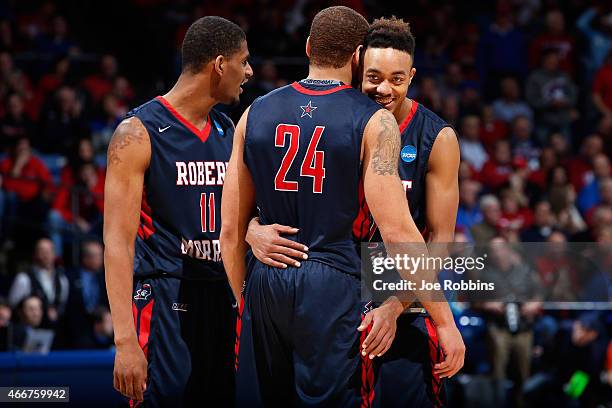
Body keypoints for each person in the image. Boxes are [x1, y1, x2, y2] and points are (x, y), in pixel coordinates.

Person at [221, 7, 464, 407]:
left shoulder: (254, 111)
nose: (384, 88)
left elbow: (227, 228)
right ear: (358, 57)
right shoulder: (371, 122)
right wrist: (448, 322)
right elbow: (401, 233)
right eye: (374, 76)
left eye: (396, 79)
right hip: (336, 279)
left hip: (310, 284)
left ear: (308, 47)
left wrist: (243, 298)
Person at [104, 16, 252, 406]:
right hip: (165, 294)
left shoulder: (227, 128)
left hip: (221, 295)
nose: (249, 72)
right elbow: (117, 242)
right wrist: (124, 341)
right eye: (244, 61)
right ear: (220, 65)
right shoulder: (137, 132)